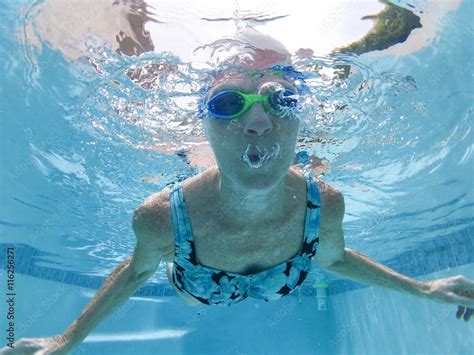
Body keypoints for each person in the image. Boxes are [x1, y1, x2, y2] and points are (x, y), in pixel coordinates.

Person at [3, 29, 473, 355]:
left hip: (274, 285)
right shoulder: (161, 218)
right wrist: (67, 340)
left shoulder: (324, 203)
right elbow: (135, 271)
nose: (257, 122)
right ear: (202, 125)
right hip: (199, 291)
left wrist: (425, 288)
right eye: (228, 103)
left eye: (282, 100)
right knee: (190, 298)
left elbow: (334, 258)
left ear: (300, 116)